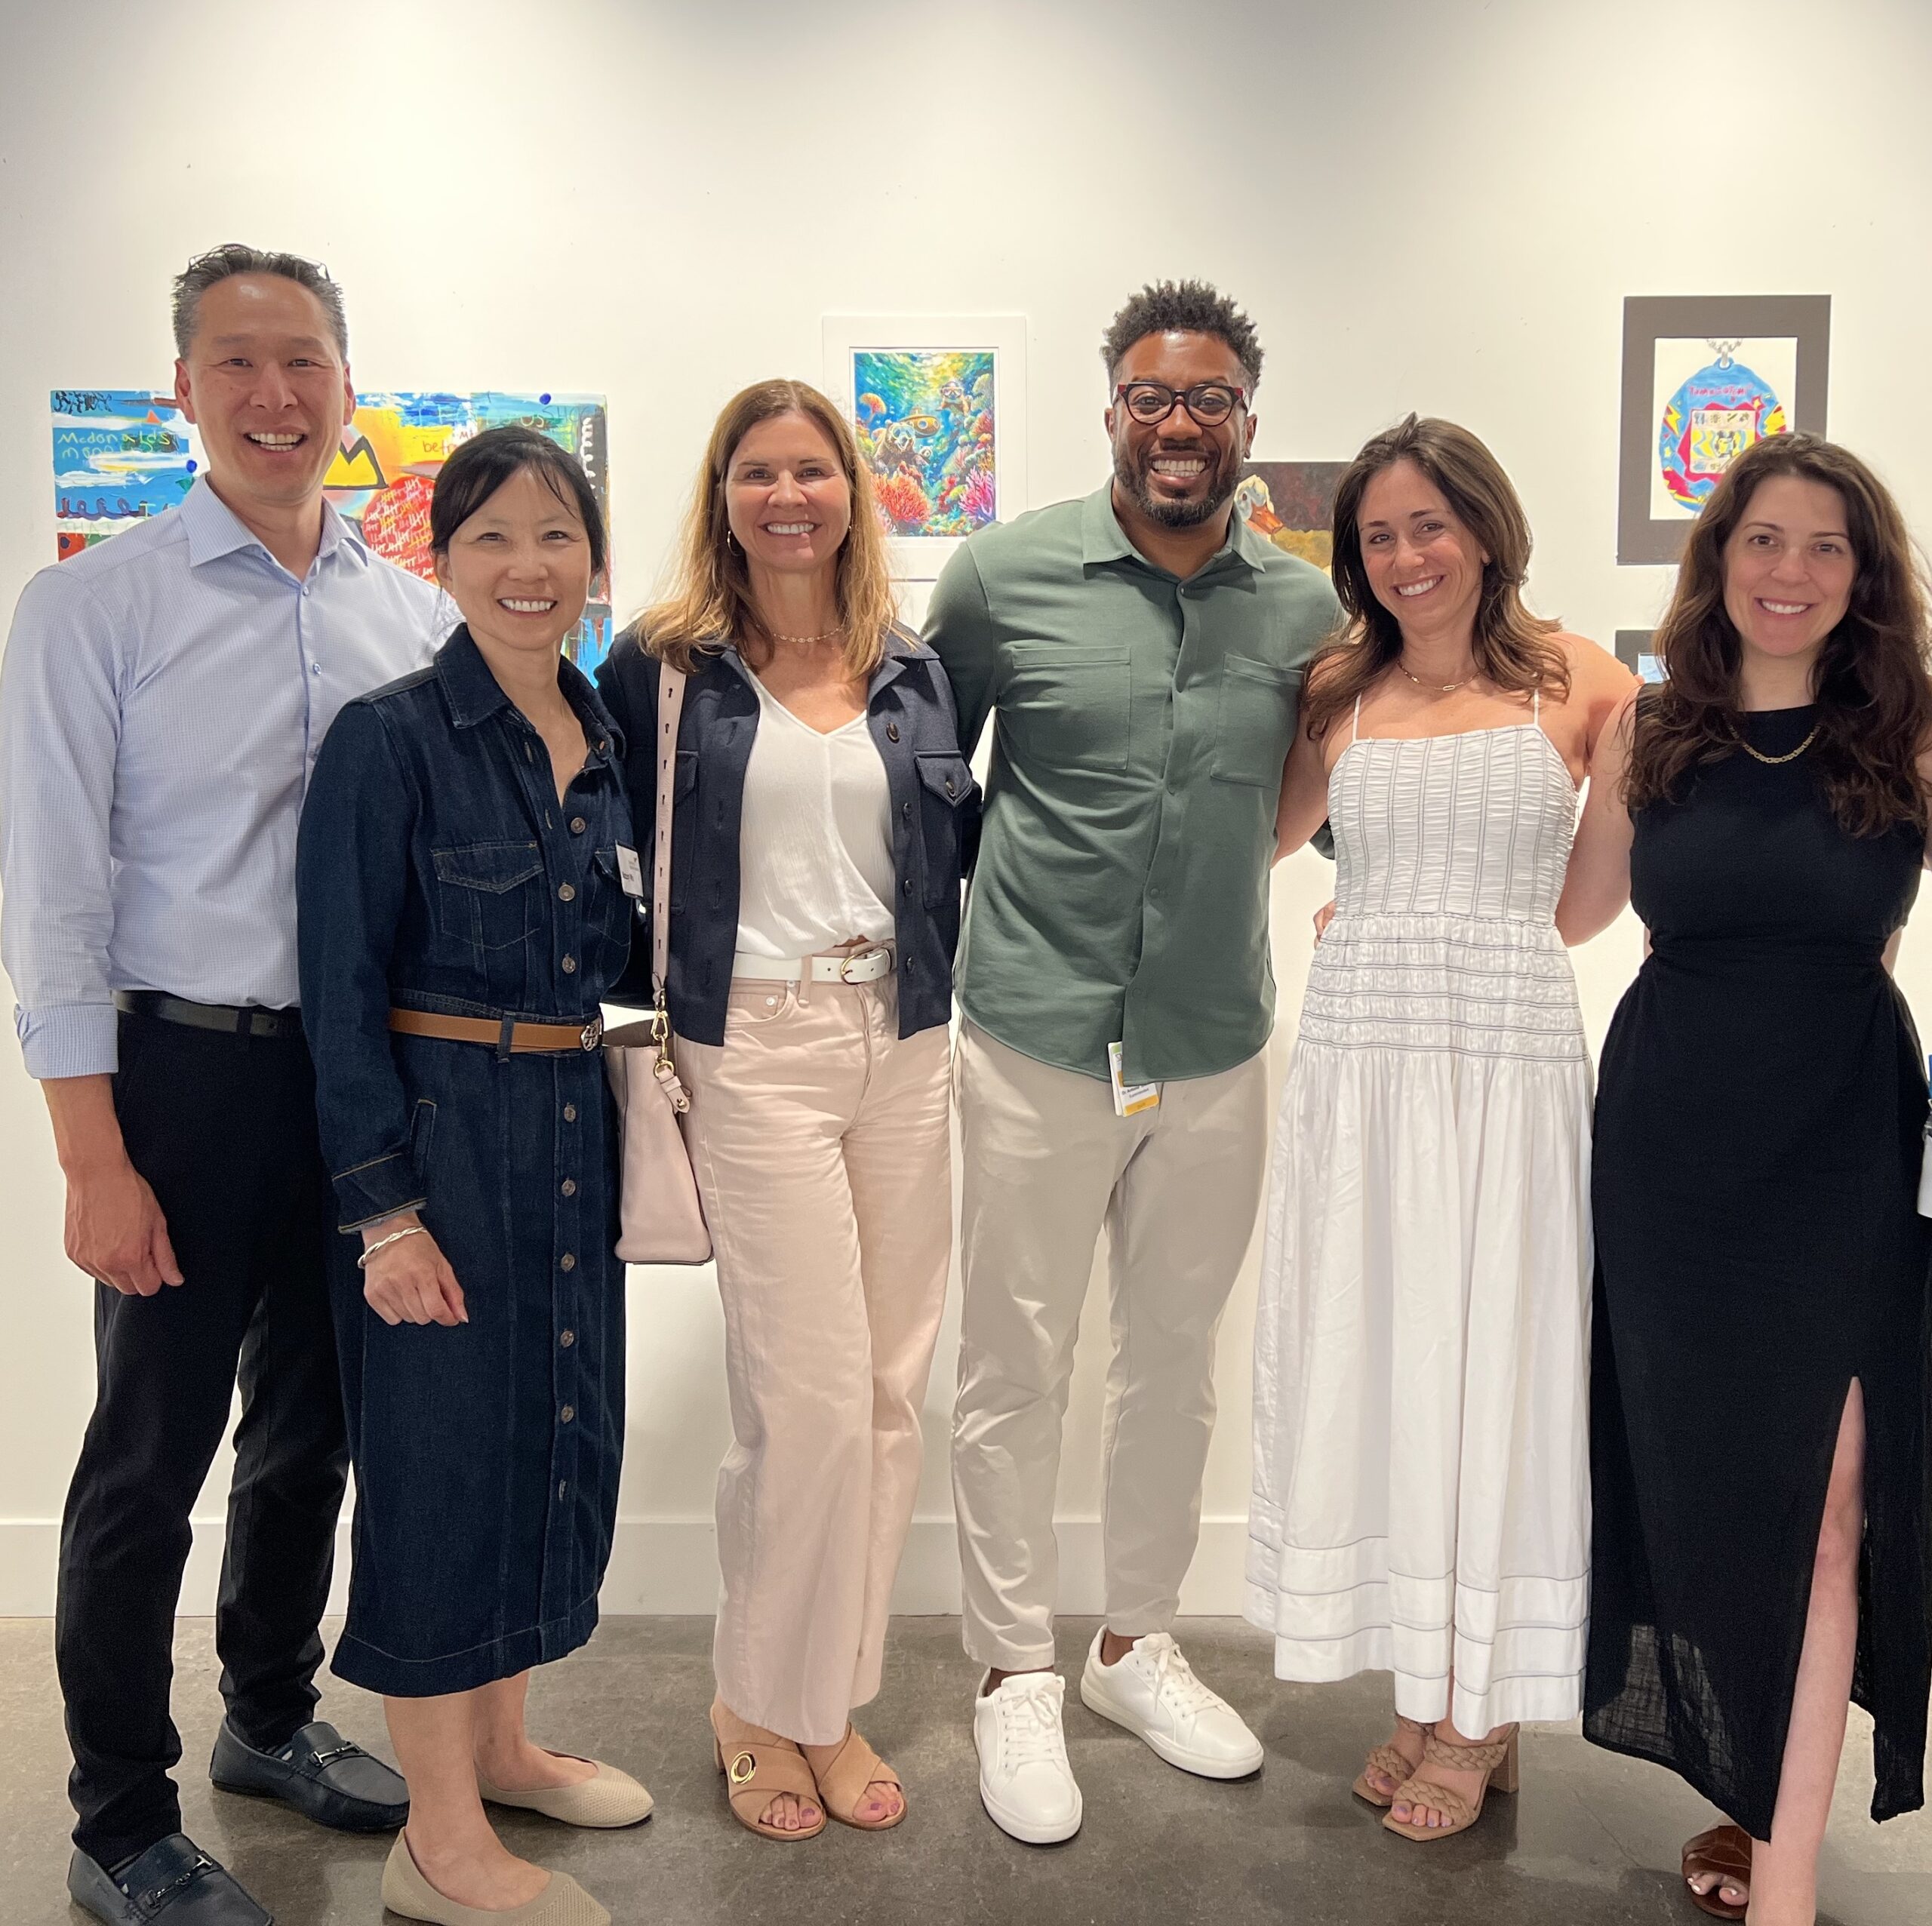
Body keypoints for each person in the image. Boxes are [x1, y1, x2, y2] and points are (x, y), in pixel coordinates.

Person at [0, 244, 436, 1926]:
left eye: (305, 361)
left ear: (347, 383)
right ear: (181, 389)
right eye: (237, 364)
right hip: (178, 1074)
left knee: (312, 1432)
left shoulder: (406, 613)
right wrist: (90, 1153)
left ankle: (268, 1716)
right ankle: (119, 1821)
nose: (275, 394)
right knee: (147, 1457)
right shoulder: (95, 605)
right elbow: (52, 899)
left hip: (353, 1088)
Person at [924, 280, 1334, 1844]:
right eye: (1153, 398)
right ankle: (1009, 1667)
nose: (1181, 424)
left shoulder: (1302, 607)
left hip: (1214, 1041)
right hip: (1031, 1031)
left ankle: (1130, 1642)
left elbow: (1327, 793)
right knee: (1009, 1364)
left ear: (1247, 422)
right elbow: (927, 789)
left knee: (1170, 1362)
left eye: (1212, 400)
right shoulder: (999, 574)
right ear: (1110, 411)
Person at [1558, 432, 1932, 1924]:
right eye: (1762, 540)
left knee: (1829, 1496)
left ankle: (1784, 1880)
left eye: (1824, 546)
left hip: (1840, 1137)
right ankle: (1753, 1807)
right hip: (1667, 1148)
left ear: (1863, 576)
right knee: (1705, 1486)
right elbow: (1570, 908)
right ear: (1715, 561)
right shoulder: (1642, 736)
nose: (1789, 571)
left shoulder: (1904, 733)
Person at [596, 379, 976, 1842]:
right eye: (757, 471)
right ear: (723, 496)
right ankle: (750, 1703)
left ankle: (828, 1697)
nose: (786, 494)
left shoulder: (910, 667)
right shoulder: (664, 669)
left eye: (811, 469)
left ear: (847, 494)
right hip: (748, 1041)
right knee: (803, 1401)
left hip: (902, 1035)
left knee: (883, 1398)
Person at [1253, 414, 1633, 1842]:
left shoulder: (1587, 681)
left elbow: (1588, 906)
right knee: (1389, 1354)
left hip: (1508, 1058)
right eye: (1378, 535)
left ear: (1485, 527)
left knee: (1501, 1358)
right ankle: (1423, 1689)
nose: (1407, 555)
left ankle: (1486, 1714)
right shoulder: (1336, 688)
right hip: (1361, 1055)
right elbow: (1271, 837)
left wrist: (1457, 931)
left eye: (1430, 524)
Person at [297, 425, 648, 1925]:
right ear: (440, 561)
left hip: (570, 1119)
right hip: (442, 1144)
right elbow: (335, 987)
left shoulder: (602, 735)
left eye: (555, 535)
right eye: (493, 537)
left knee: (546, 1442)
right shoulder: (386, 740)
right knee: (440, 1482)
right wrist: (383, 1215)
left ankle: (499, 1747)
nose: (528, 566)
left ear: (590, 559)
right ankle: (437, 1840)